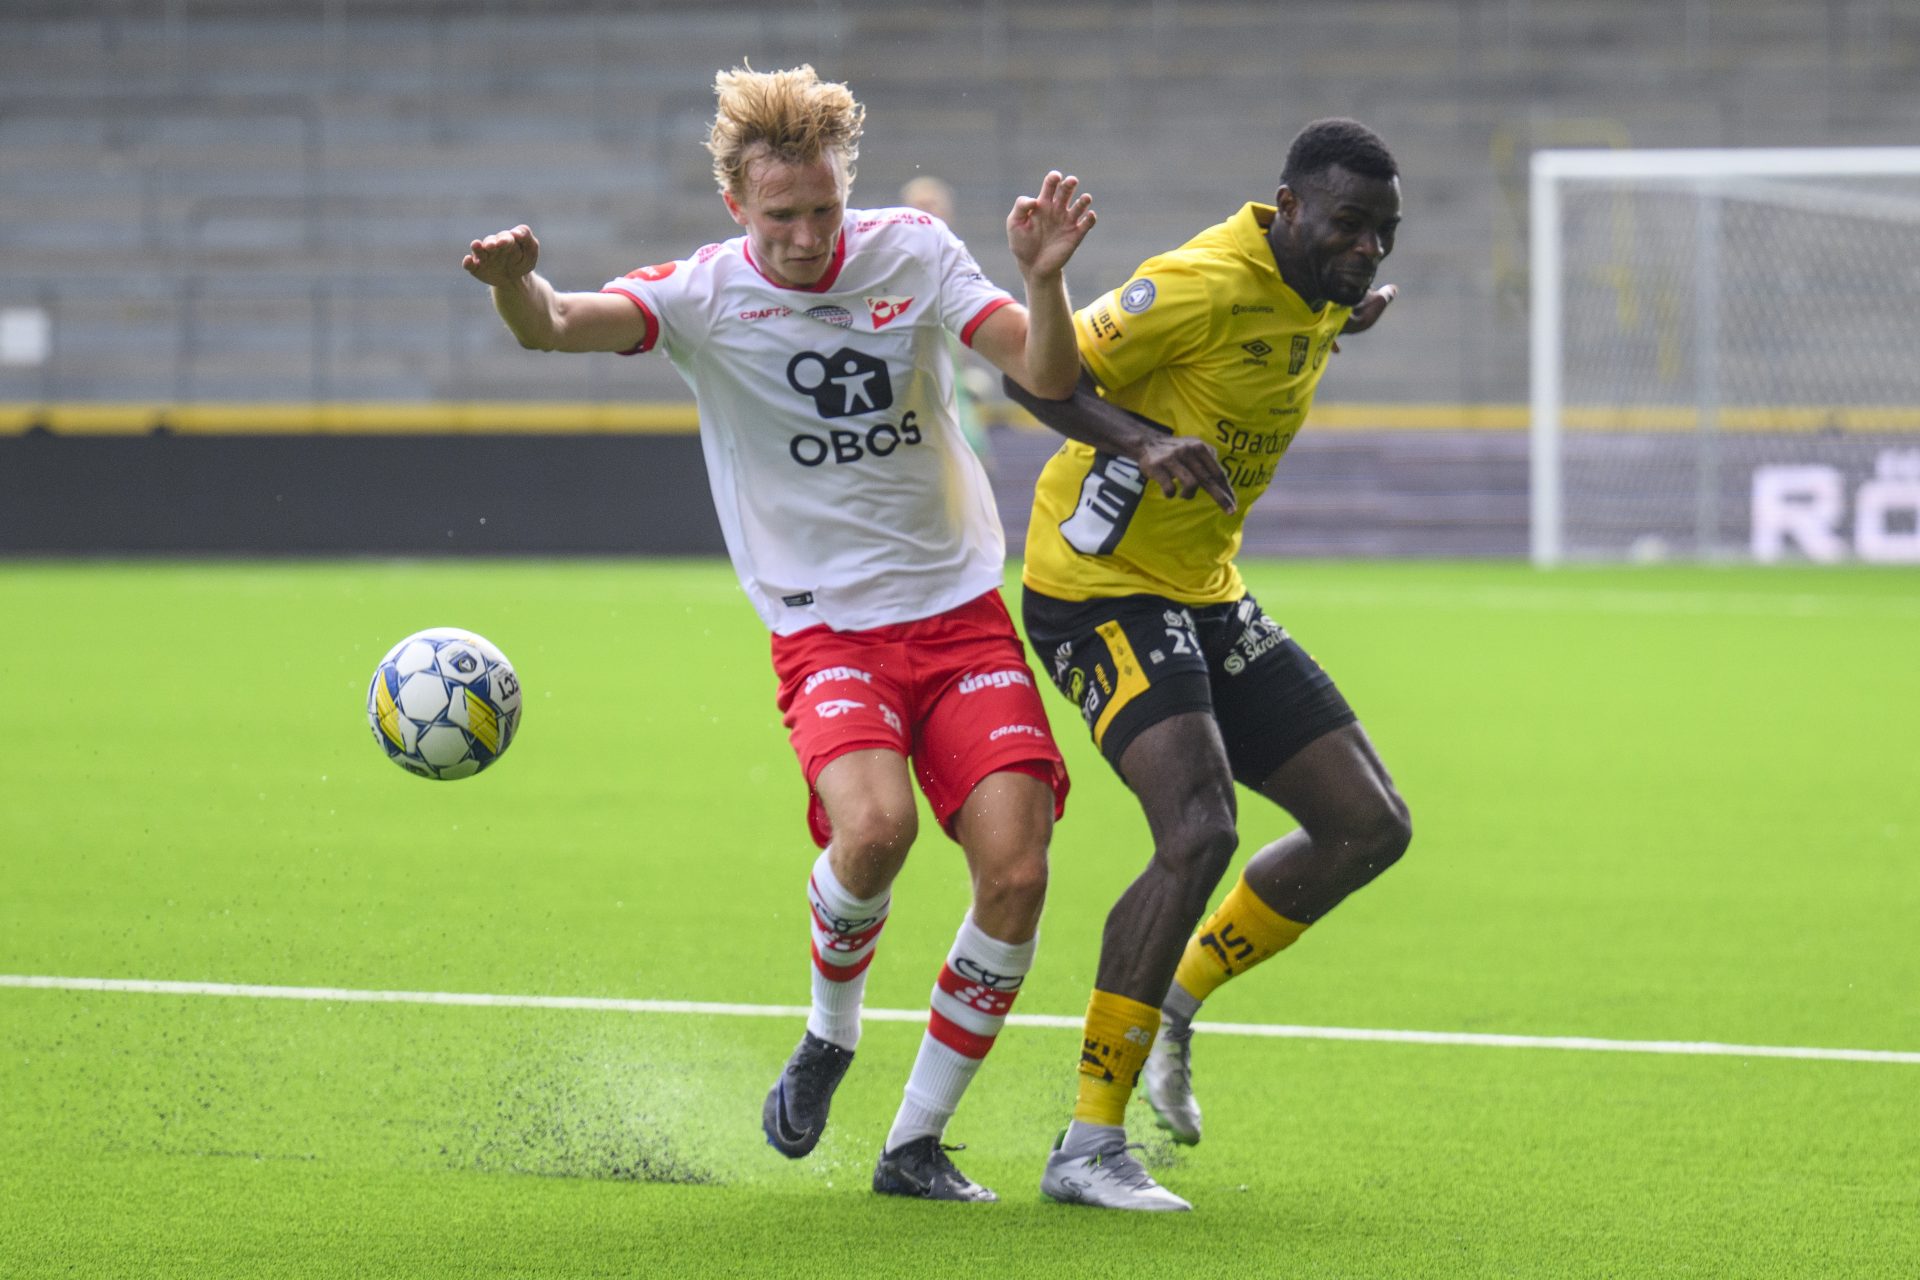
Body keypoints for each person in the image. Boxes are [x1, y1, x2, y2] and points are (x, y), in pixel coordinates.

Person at [462, 64, 1096, 1203]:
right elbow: (553, 326)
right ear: (735, 206)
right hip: (826, 631)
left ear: (847, 187)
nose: (808, 237)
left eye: (824, 208)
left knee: (1017, 871)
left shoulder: (914, 251)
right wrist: (518, 285)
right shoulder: (703, 295)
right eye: (781, 216)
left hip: (959, 615)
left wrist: (1043, 281)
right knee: (877, 831)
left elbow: (1046, 371)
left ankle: (914, 1145)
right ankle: (828, 1034)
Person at [1003, 118, 1410, 1211]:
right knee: (1198, 830)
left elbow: (1300, 319)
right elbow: (1034, 380)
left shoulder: (1316, 288)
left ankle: (1177, 999)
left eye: (1385, 232)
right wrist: (1141, 441)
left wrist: (1346, 308)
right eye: (1350, 226)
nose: (1369, 248)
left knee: (1368, 824)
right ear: (1289, 208)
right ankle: (1088, 1144)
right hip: (1097, 587)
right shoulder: (1196, 283)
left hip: (1203, 587)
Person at [900, 174, 996, 463]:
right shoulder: (894, 270)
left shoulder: (959, 267)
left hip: (958, 409)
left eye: (932, 206)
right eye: (919, 207)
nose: (926, 214)